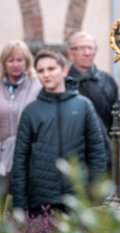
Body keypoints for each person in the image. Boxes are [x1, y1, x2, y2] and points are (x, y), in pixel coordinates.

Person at [12, 49, 107, 216]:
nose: (46, 74)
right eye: (41, 71)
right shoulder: (31, 111)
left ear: (64, 70)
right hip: (41, 201)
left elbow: (97, 153)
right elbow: (20, 160)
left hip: (77, 197)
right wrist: (20, 206)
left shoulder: (84, 106)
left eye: (51, 69)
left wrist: (95, 195)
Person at [0, 41, 41, 202]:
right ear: (4, 63)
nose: (15, 65)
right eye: (10, 60)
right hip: (2, 155)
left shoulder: (37, 86)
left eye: (19, 60)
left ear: (27, 61)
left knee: (24, 201)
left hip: (29, 154)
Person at [67, 31, 118, 136]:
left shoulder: (108, 80)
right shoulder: (64, 82)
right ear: (71, 53)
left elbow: (117, 117)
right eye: (81, 48)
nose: (87, 53)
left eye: (90, 48)